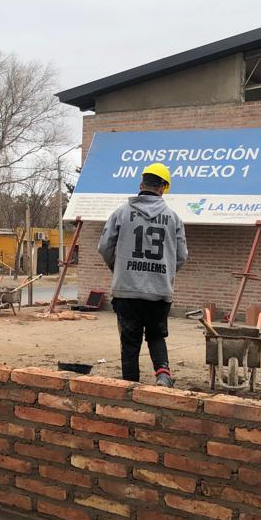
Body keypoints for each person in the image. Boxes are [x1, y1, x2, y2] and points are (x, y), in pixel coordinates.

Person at [98, 163, 188, 387]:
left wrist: (118, 269)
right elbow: (182, 255)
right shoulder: (173, 218)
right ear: (163, 188)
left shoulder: (120, 213)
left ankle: (131, 389)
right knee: (156, 335)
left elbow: (104, 247)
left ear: (141, 185)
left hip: (126, 292)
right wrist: (164, 274)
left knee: (130, 343)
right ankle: (163, 374)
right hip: (159, 292)